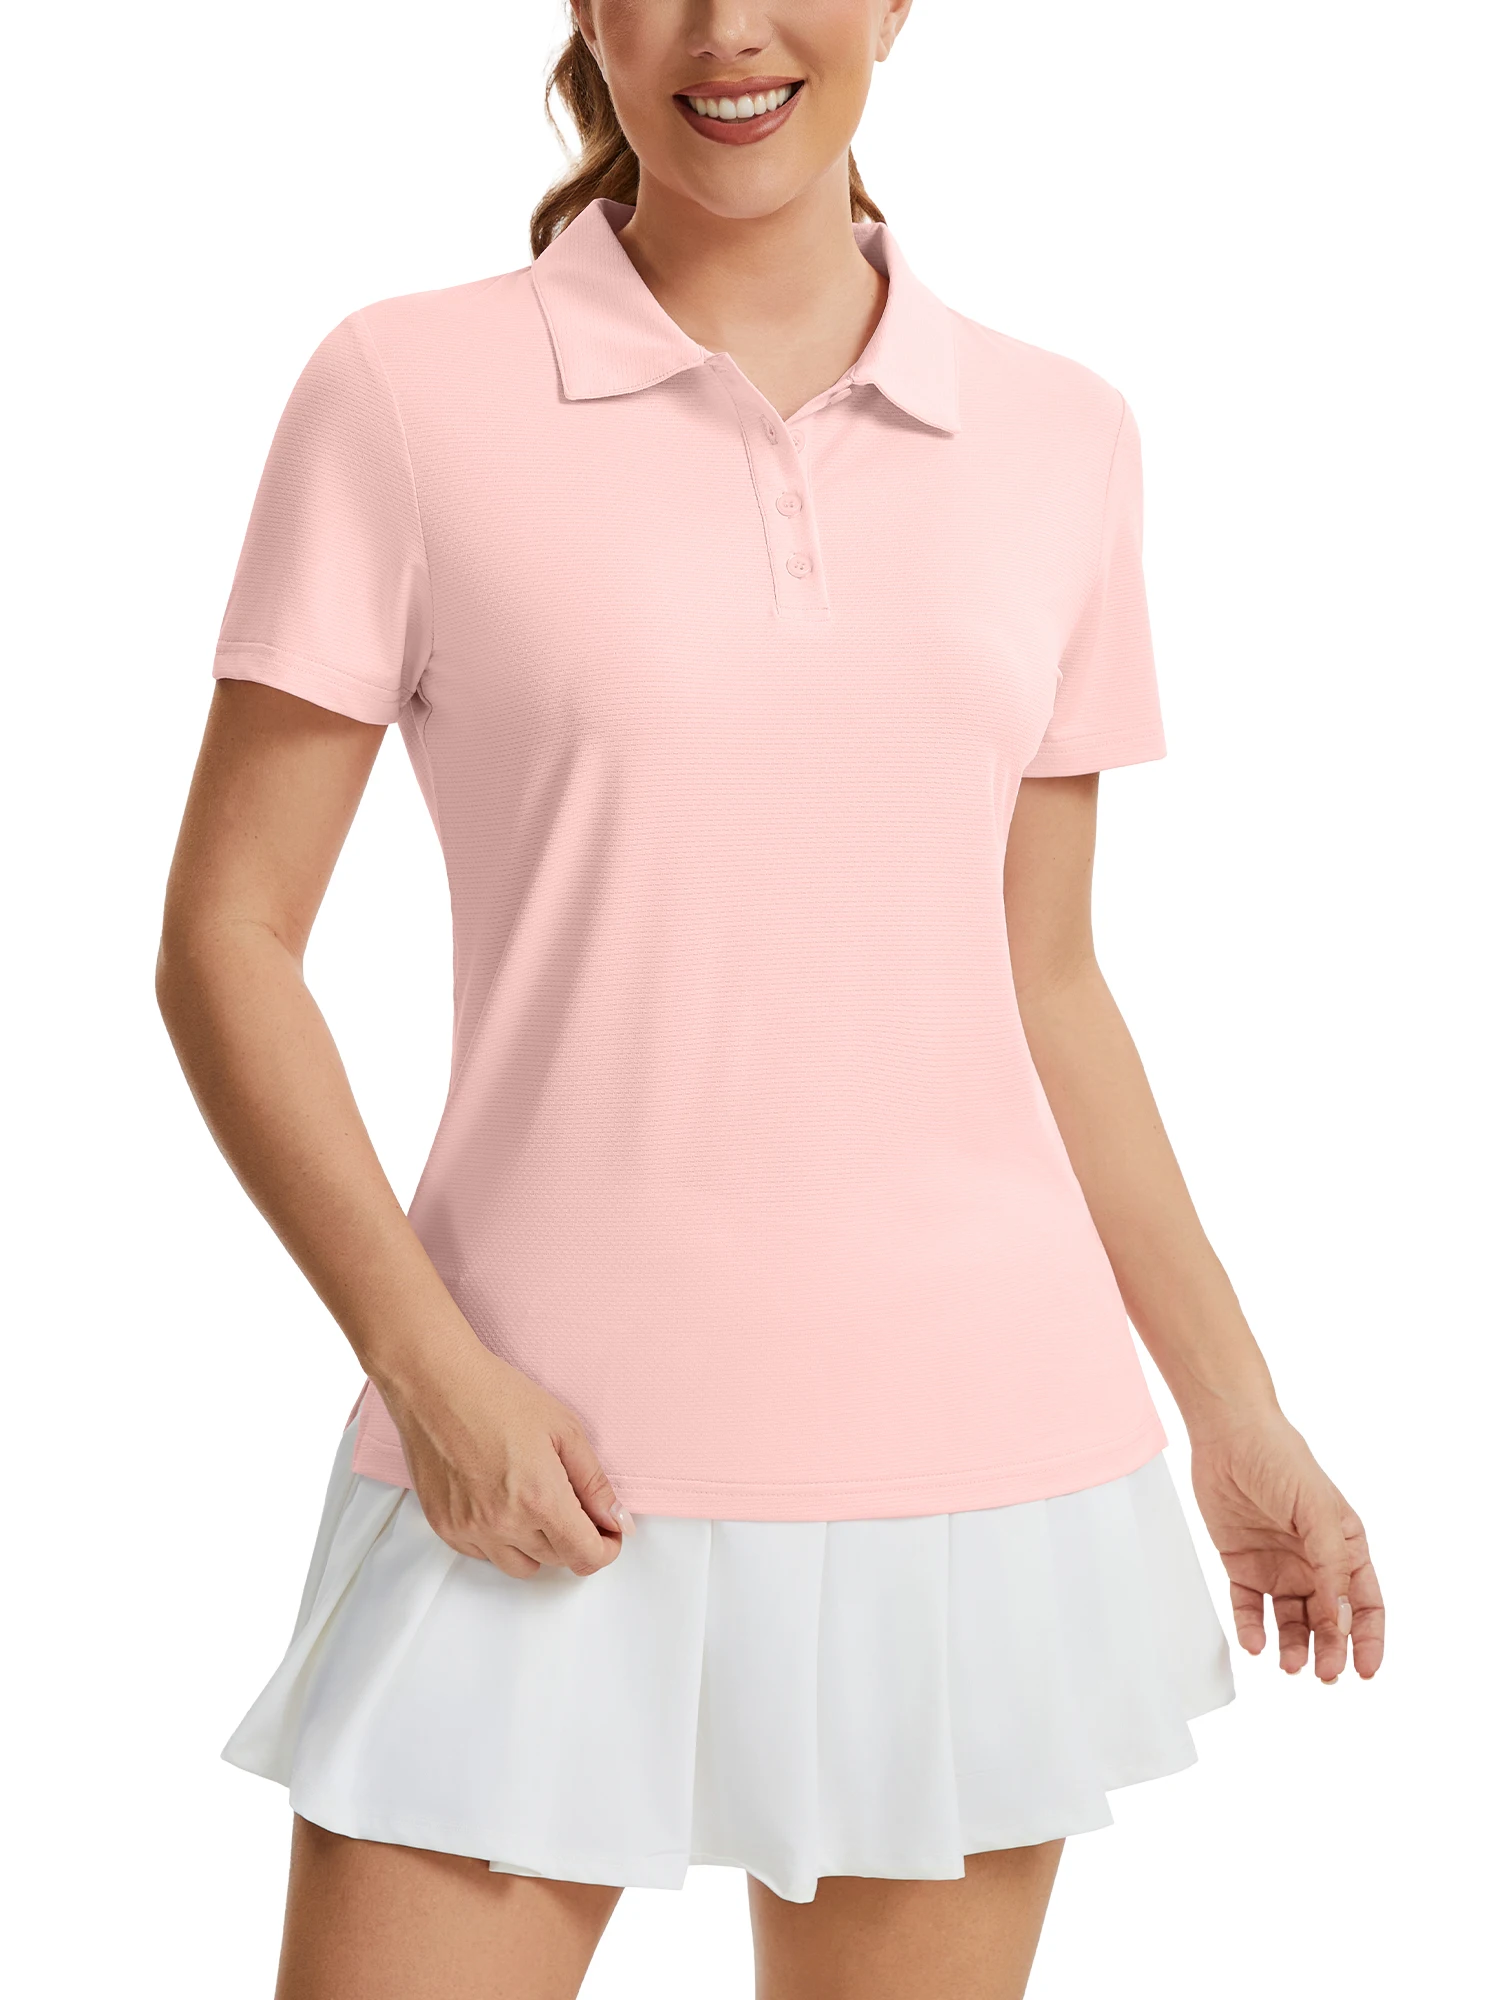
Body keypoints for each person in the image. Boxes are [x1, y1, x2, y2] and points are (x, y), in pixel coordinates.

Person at [156, 4, 1385, 1996]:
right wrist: (433, 1372)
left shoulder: (1062, 435)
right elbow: (228, 935)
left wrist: (1238, 1416)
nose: (729, 28)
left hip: (978, 1470)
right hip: (537, 1463)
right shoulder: (404, 391)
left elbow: (1047, 978)